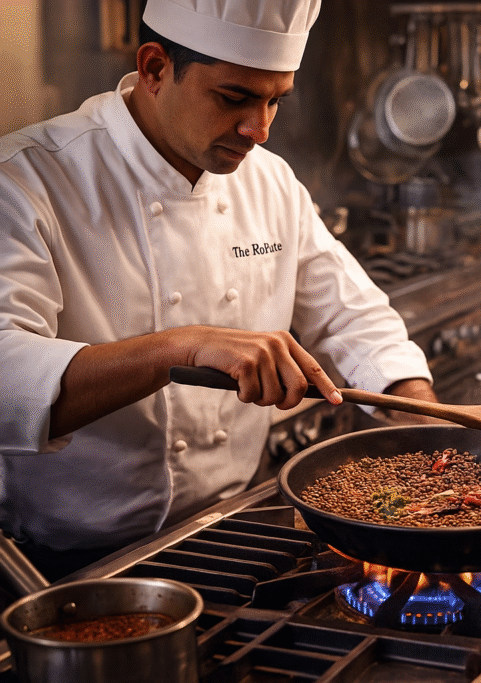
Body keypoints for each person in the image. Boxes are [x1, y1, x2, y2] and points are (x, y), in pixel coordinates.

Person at [0, 0, 438, 580]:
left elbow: (350, 317)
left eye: (275, 100)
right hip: (74, 568)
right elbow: (7, 378)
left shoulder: (270, 182)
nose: (258, 129)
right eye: (234, 98)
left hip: (236, 532)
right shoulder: (28, 181)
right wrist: (182, 348)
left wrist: (423, 417)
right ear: (155, 68)